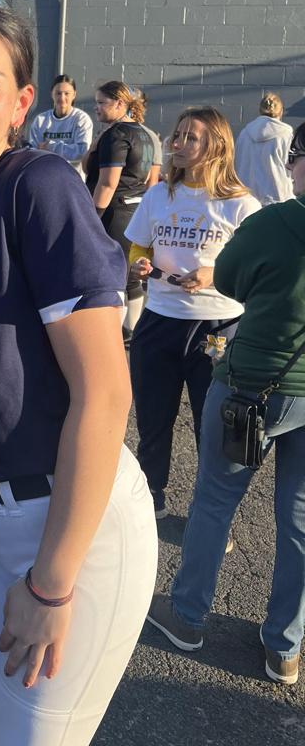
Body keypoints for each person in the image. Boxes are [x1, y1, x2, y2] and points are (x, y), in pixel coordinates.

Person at [0, 3, 158, 745]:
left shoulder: (37, 185)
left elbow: (105, 393)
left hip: (72, 523)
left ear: (22, 104)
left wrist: (51, 583)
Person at [146, 120, 305, 686]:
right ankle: (285, 645)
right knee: (299, 518)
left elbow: (232, 282)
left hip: (252, 384)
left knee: (215, 500)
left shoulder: (273, 222)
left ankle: (188, 616)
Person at [126, 107, 260, 520]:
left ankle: (211, 513)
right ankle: (151, 498)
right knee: (153, 419)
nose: (178, 144)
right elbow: (139, 245)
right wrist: (140, 264)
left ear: (216, 146)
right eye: (177, 136)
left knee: (212, 425)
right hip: (159, 320)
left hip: (217, 326)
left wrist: (215, 273)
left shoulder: (241, 204)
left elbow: (255, 267)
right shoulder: (158, 194)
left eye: (191, 137)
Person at [84, 81, 154, 341]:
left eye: (102, 102)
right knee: (129, 277)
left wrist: (91, 219)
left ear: (120, 103)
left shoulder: (118, 134)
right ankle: (130, 331)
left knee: (113, 276)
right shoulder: (143, 132)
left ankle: (115, 336)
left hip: (115, 211)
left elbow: (108, 183)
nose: (96, 108)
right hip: (134, 208)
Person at [234, 92, 294, 206]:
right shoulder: (286, 135)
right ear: (281, 112)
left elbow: (236, 164)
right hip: (278, 199)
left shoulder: (244, 134)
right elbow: (292, 167)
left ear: (260, 110)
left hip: (247, 200)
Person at [27, 73, 93, 175]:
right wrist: (69, 150)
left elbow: (82, 152)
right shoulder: (40, 120)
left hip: (72, 179)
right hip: (46, 176)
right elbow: (34, 153)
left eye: (67, 93)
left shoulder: (81, 119)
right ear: (52, 94)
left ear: (74, 95)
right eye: (58, 93)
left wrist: (51, 147)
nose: (62, 98)